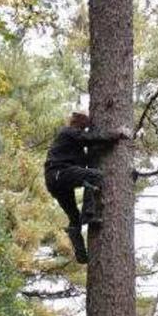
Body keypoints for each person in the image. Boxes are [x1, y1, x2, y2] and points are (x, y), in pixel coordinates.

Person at [44, 112, 104, 264]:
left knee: (74, 217)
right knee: (95, 176)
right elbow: (89, 139)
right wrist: (116, 135)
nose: (84, 130)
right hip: (59, 174)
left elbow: (86, 144)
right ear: (77, 124)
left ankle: (81, 254)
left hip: (56, 180)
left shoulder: (73, 143)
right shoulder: (68, 132)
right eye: (83, 126)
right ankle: (89, 213)